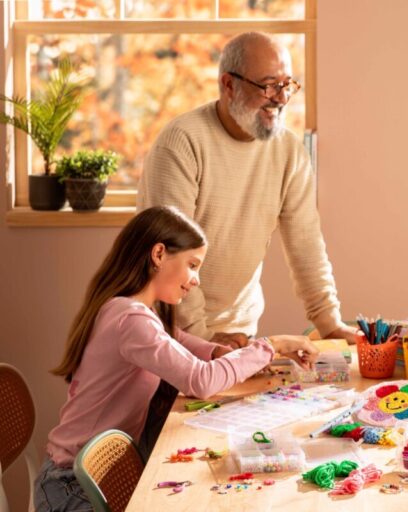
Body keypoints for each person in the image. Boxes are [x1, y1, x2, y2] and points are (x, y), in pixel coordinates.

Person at [35, 206, 319, 512]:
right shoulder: (131, 320)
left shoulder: (133, 312)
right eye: (193, 265)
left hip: (87, 476)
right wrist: (272, 345)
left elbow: (184, 345)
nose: (196, 279)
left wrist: (226, 354)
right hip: (71, 486)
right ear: (158, 254)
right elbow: (200, 380)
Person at [137, 32, 359, 348]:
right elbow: (170, 257)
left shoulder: (289, 151)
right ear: (229, 85)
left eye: (287, 85)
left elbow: (306, 244)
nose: (280, 98)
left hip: (239, 334)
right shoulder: (182, 142)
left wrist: (329, 323)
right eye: (268, 85)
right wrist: (203, 337)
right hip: (168, 334)